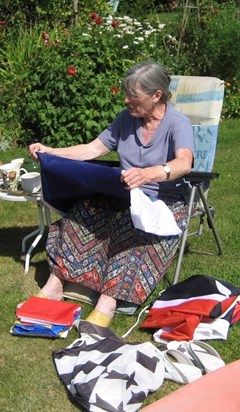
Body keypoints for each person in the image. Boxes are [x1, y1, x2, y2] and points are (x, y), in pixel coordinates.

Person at [28, 61, 194, 327]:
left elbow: (184, 162)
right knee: (81, 213)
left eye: (133, 95)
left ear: (156, 96)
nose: (126, 100)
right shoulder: (125, 119)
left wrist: (147, 174)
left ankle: (108, 301)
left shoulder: (177, 124)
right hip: (124, 194)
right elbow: (92, 150)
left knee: (133, 232)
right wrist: (51, 151)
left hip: (162, 201)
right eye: (125, 93)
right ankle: (55, 284)